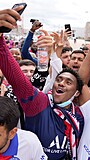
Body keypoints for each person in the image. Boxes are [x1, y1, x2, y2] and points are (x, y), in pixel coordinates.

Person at [0, 21, 84, 160]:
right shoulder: (40, 103)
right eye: (58, 80)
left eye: (68, 82)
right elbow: (16, 79)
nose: (61, 83)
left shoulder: (79, 116)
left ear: (76, 93)